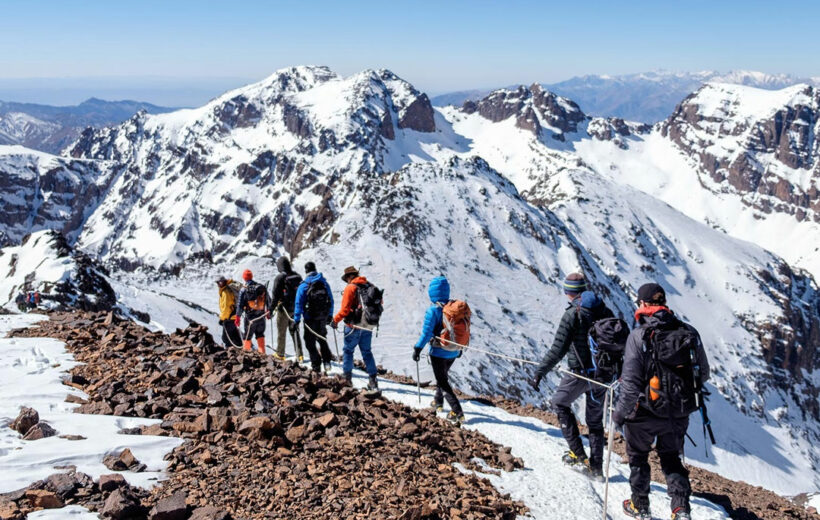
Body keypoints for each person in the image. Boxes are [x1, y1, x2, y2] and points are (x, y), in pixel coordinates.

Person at [613, 283, 709, 520]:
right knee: (671, 459)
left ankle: (640, 506)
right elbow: (703, 372)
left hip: (644, 412)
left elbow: (631, 384)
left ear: (643, 304)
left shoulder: (638, 336)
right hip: (678, 411)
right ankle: (680, 509)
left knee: (638, 458)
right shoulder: (689, 332)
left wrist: (619, 415)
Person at [529, 273, 613, 479]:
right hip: (602, 375)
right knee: (595, 422)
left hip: (578, 373)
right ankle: (597, 468)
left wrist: (540, 372)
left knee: (559, 403)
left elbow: (558, 350)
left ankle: (577, 453)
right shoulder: (604, 310)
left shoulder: (572, 315)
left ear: (568, 292)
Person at [412, 276, 464, 425]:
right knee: (443, 376)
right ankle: (438, 402)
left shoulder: (433, 311)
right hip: (454, 351)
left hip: (438, 352)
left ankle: (457, 411)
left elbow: (427, 333)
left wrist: (417, 349)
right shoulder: (455, 309)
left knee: (442, 381)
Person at [331, 266, 378, 390]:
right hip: (368, 325)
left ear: (349, 276)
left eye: (347, 278)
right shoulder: (370, 286)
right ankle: (373, 380)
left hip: (353, 325)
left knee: (348, 351)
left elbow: (345, 310)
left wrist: (335, 320)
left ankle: (347, 378)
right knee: (367, 352)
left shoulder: (350, 288)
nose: (347, 281)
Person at [293, 262, 334, 373]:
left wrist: (296, 320)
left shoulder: (304, 285)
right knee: (322, 338)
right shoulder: (324, 283)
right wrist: (330, 315)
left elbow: (298, 304)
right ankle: (327, 362)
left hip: (309, 318)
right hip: (322, 317)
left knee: (309, 341)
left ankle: (316, 366)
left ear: (306, 271)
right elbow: (331, 300)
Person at [270, 256, 304, 362]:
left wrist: (270, 310)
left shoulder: (280, 277)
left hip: (283, 309)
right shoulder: (298, 277)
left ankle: (280, 354)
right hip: (295, 309)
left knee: (282, 331)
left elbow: (275, 296)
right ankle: (300, 355)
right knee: (294, 330)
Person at [234, 269, 270, 354]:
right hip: (261, 317)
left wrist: (237, 317)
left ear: (244, 278)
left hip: (250, 318)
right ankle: (263, 354)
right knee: (260, 335)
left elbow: (240, 305)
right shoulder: (261, 287)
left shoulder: (244, 289)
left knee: (247, 336)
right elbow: (268, 300)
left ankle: (246, 354)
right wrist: (268, 313)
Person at [216, 276, 242, 348]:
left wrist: (222, 319)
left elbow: (226, 308)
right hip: (234, 316)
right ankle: (241, 350)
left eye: (220, 282)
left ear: (224, 281)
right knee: (234, 335)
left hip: (229, 318)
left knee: (226, 338)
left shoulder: (225, 292)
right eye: (218, 283)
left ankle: (230, 353)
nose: (219, 284)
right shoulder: (227, 290)